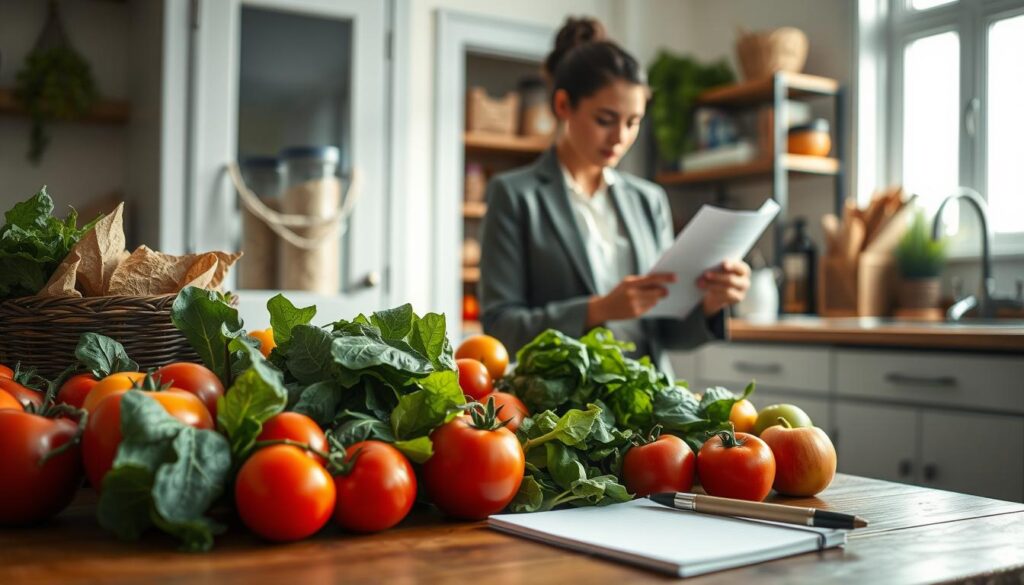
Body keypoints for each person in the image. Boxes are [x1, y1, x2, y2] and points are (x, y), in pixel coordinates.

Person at [478, 16, 751, 374]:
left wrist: (711, 304)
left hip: (648, 400)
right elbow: (501, 328)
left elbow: (666, 332)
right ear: (563, 106)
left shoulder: (648, 200)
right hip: (564, 409)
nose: (619, 137)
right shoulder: (515, 195)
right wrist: (598, 310)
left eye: (633, 122)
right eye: (605, 119)